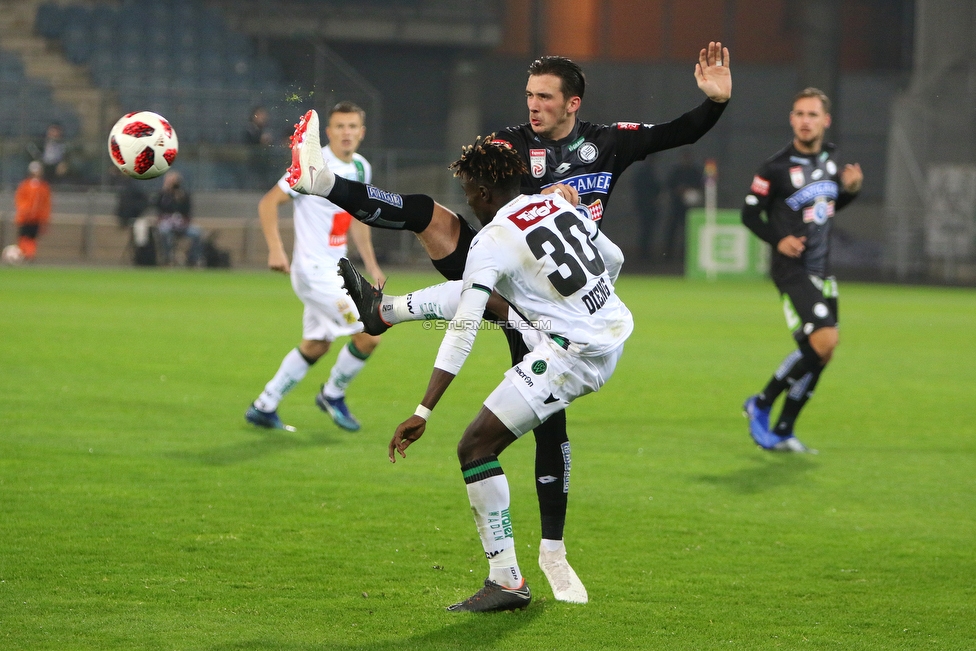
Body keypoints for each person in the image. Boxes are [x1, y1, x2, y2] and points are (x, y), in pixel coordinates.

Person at [287, 43, 731, 603]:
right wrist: (552, 205)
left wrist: (714, 103)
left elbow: (678, 132)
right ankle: (323, 185)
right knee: (430, 217)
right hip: (518, 274)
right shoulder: (509, 144)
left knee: (546, 423)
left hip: (562, 303)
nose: (534, 107)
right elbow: (487, 187)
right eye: (529, 96)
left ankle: (553, 551)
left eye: (545, 97)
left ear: (573, 102)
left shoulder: (607, 142)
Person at [245, 101, 385, 433]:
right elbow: (268, 203)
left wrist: (372, 265)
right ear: (329, 131)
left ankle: (264, 405)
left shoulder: (362, 168)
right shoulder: (311, 165)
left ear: (361, 133)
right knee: (370, 332)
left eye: (352, 126)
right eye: (339, 126)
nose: (346, 133)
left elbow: (358, 220)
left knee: (317, 344)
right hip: (313, 270)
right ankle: (332, 395)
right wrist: (277, 250)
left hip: (337, 269)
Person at [741, 88, 863, 453]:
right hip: (791, 269)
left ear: (825, 121)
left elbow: (825, 207)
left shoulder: (830, 159)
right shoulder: (775, 168)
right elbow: (750, 214)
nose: (804, 121)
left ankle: (782, 430)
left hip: (822, 271)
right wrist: (778, 239)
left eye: (812, 115)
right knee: (824, 341)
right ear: (792, 119)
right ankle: (761, 403)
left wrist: (851, 192)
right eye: (798, 114)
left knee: (822, 354)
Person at [154, 171, 203, 267]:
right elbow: (158, 207)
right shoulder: (163, 195)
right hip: (167, 223)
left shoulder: (183, 195)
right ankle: (167, 258)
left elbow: (187, 211)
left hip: (182, 225)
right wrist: (166, 193)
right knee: (164, 231)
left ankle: (192, 259)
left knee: (197, 233)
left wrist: (179, 199)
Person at [663, 150, 703, 262]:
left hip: (689, 208)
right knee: (672, 230)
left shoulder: (695, 172)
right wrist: (678, 190)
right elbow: (668, 185)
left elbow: (700, 186)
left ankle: (687, 255)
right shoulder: (676, 171)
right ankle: (668, 255)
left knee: (689, 232)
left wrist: (689, 190)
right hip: (676, 206)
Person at [14, 161, 51, 261]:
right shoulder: (25, 185)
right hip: (25, 217)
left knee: (32, 237)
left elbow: (46, 204)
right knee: (23, 236)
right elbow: (20, 200)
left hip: (36, 217)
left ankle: (30, 255)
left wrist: (44, 218)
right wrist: (24, 211)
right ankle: (22, 253)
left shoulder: (43, 187)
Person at [632, 158, 662, 260]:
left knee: (646, 230)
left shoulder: (644, 172)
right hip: (647, 206)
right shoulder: (647, 173)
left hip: (645, 206)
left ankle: (644, 252)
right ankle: (644, 253)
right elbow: (652, 188)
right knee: (646, 230)